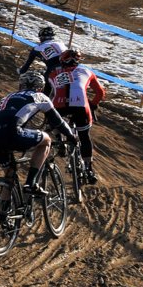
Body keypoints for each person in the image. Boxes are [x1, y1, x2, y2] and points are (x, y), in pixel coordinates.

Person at [0, 72, 76, 193]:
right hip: (11, 131)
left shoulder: (7, 97)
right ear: (41, 88)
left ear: (20, 86)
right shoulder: (40, 96)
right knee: (46, 140)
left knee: (9, 174)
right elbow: (58, 122)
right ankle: (31, 184)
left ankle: (4, 210)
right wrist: (71, 136)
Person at [46, 47, 105, 184]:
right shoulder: (87, 71)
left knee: (52, 120)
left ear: (62, 61)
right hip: (80, 106)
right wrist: (93, 104)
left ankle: (60, 139)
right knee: (84, 136)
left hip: (59, 107)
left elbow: (47, 95)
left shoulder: (53, 73)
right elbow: (100, 93)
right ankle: (89, 169)